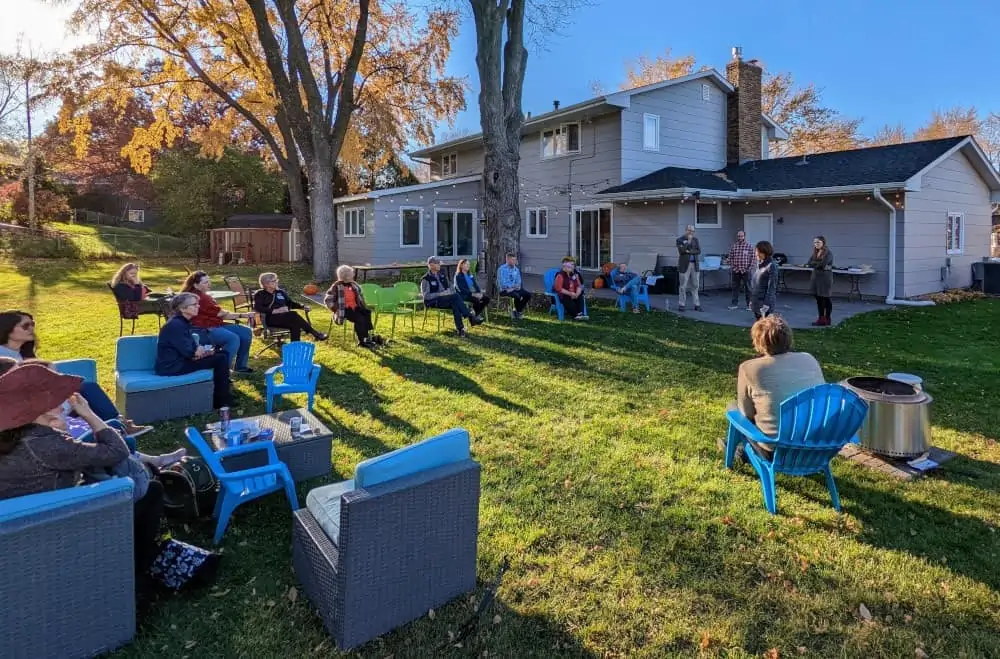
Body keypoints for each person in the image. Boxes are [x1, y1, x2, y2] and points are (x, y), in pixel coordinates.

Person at [0, 361, 165, 586]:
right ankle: (135, 573)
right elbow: (117, 450)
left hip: (18, 529)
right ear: (38, 406)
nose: (62, 401)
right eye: (54, 396)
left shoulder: (14, 435)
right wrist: (87, 413)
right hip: (56, 527)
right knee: (152, 490)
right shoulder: (44, 443)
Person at [0, 310, 153, 437]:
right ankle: (118, 426)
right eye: (25, 325)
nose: (32, 328)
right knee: (85, 389)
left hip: (45, 400)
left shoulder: (23, 353)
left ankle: (118, 424)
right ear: (7, 329)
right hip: (31, 409)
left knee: (86, 387)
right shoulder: (4, 359)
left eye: (33, 324)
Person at [731, 315, 826, 459]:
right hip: (815, 443)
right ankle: (741, 450)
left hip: (776, 448)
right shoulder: (809, 359)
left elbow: (746, 414)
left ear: (759, 341)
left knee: (733, 408)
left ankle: (736, 450)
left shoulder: (749, 368)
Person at [155, 293, 234, 410]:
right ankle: (221, 401)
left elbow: (190, 349)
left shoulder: (181, 322)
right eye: (194, 304)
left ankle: (223, 396)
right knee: (220, 359)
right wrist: (199, 350)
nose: (198, 306)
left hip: (180, 361)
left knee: (222, 354)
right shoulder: (176, 325)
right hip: (172, 366)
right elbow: (190, 352)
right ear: (182, 308)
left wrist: (201, 351)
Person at [182, 270, 256, 373]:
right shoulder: (200, 297)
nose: (209, 284)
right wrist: (242, 315)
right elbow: (220, 313)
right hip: (202, 329)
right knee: (232, 339)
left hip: (216, 324)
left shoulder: (204, 295)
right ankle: (222, 371)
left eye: (209, 281)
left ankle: (240, 366)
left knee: (245, 332)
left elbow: (220, 314)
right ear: (196, 285)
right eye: (205, 282)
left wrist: (243, 315)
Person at [252, 273, 328, 342]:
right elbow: (258, 308)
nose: (277, 282)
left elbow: (290, 303)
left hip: (286, 318)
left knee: (295, 323)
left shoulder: (280, 292)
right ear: (266, 284)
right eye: (274, 281)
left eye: (276, 280)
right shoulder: (260, 294)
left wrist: (302, 306)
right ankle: (315, 333)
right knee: (293, 315)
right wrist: (275, 310)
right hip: (271, 319)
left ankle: (295, 346)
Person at [421, 256, 483, 337]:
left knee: (455, 304)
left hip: (446, 299)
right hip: (433, 301)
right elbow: (426, 296)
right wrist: (441, 294)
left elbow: (452, 287)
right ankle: (470, 316)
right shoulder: (426, 279)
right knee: (455, 297)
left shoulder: (442, 275)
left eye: (439, 263)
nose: (440, 265)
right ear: (431, 265)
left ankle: (460, 330)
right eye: (437, 263)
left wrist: (449, 292)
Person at [324, 265, 378, 349]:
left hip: (355, 307)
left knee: (366, 313)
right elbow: (328, 300)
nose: (353, 275)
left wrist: (363, 305)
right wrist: (336, 309)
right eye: (351, 274)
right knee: (360, 319)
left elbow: (360, 296)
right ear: (346, 275)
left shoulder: (353, 285)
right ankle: (363, 341)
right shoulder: (336, 286)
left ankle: (367, 338)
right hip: (344, 309)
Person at [807, 236, 834, 326]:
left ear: (823, 243)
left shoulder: (828, 253)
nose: (816, 244)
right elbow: (809, 262)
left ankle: (827, 318)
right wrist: (815, 264)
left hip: (825, 278)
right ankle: (821, 318)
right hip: (816, 277)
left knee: (825, 298)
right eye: (815, 242)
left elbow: (822, 264)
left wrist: (815, 264)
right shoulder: (815, 252)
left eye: (818, 242)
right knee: (818, 298)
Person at [726, 230, 755, 311]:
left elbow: (753, 259)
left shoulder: (749, 247)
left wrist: (749, 269)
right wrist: (732, 266)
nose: (740, 238)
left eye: (741, 236)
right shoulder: (734, 246)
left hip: (746, 271)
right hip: (736, 271)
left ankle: (750, 305)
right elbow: (730, 258)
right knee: (735, 288)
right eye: (739, 236)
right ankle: (734, 304)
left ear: (744, 236)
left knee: (748, 288)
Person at [496, 253, 532, 319]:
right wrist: (512, 288)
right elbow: (503, 283)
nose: (514, 261)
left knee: (528, 295)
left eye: (515, 260)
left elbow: (519, 282)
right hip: (504, 290)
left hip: (513, 289)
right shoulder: (502, 269)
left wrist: (513, 288)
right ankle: (518, 313)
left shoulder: (516, 270)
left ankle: (517, 311)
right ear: (507, 260)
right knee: (517, 295)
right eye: (513, 260)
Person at [676, 224, 702, 312]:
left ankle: (697, 304)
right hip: (684, 265)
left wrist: (689, 251)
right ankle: (681, 304)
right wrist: (688, 242)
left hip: (694, 265)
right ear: (686, 230)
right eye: (689, 230)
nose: (691, 232)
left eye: (692, 231)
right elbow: (682, 251)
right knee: (683, 286)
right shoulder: (680, 240)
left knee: (695, 285)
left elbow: (699, 251)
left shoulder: (696, 240)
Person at [750, 241, 778, 320]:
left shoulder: (772, 266)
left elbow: (772, 287)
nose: (756, 254)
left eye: (758, 252)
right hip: (756, 301)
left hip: (764, 304)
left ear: (765, 252)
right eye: (756, 252)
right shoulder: (759, 264)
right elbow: (755, 285)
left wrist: (766, 304)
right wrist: (752, 300)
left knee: (765, 329)